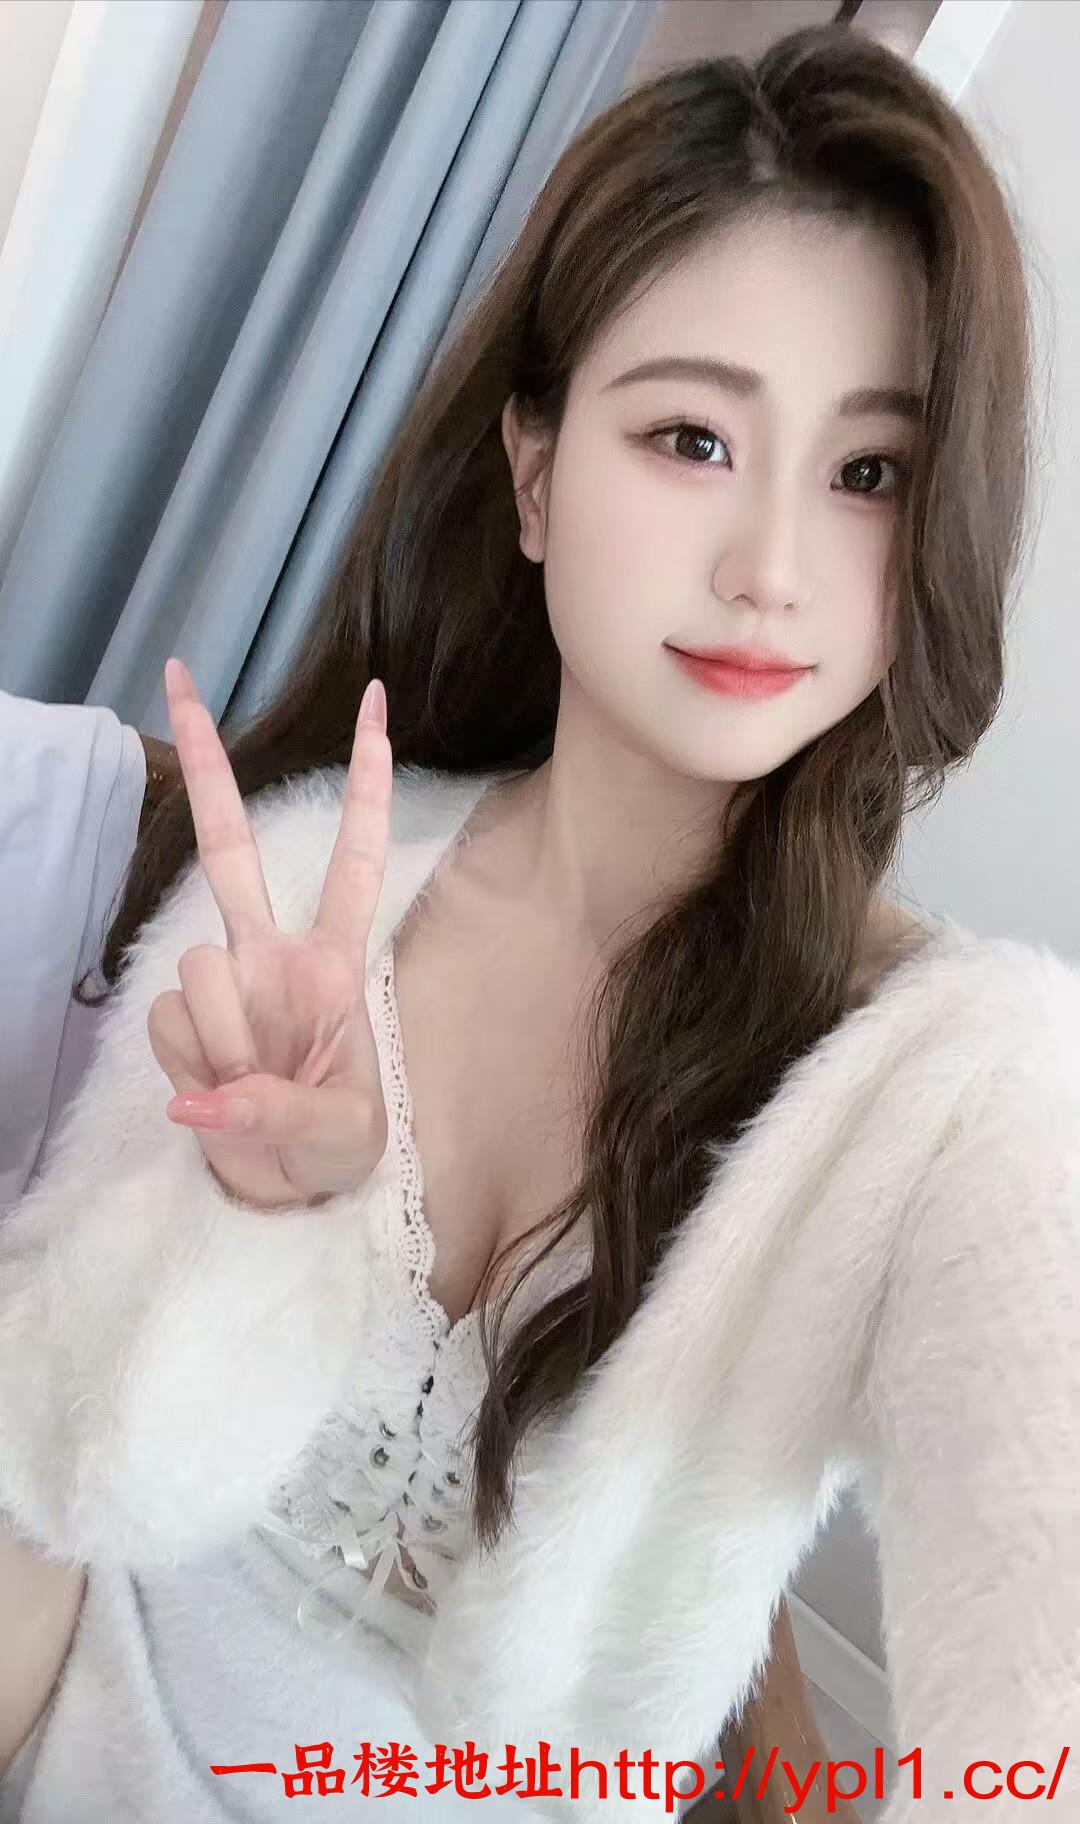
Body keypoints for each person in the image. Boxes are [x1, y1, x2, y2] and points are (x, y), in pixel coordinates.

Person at [1, 21, 1078, 1824]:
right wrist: (251, 1215)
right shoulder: (305, 882)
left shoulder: (961, 1092)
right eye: (691, 437)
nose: (771, 569)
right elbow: (56, 1485)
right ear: (532, 472)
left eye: (868, 473)